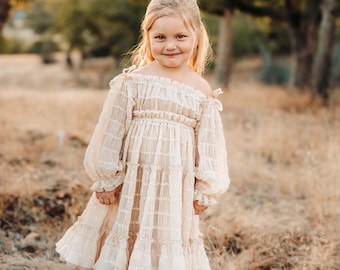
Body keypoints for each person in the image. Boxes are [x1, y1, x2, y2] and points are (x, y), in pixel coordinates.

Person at [56, 0, 230, 269]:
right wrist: (106, 177)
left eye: (180, 37)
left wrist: (205, 189)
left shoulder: (202, 91)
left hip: (173, 190)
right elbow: (111, 131)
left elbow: (208, 145)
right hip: (130, 185)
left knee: (163, 246)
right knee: (126, 238)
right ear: (147, 36)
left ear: (196, 36)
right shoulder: (134, 82)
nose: (170, 45)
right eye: (160, 37)